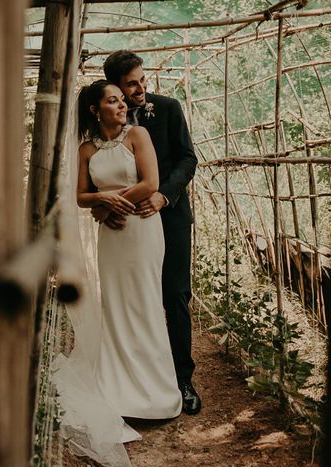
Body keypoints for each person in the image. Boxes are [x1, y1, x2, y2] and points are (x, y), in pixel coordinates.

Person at [97, 50, 201, 415]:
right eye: (131, 84)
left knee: (174, 295)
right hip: (126, 225)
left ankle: (182, 379)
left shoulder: (168, 108)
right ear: (116, 88)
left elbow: (188, 158)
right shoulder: (106, 120)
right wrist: (105, 207)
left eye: (142, 79)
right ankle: (137, 378)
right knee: (132, 299)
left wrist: (162, 195)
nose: (141, 88)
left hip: (169, 218)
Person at [76, 79, 182, 420]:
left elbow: (150, 184)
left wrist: (108, 207)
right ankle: (119, 389)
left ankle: (158, 393)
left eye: (123, 100)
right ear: (95, 110)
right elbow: (80, 195)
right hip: (112, 238)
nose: (123, 105)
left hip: (142, 229)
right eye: (113, 100)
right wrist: (99, 202)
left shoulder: (138, 136)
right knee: (116, 305)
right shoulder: (86, 150)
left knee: (146, 302)